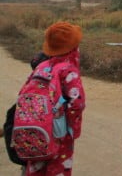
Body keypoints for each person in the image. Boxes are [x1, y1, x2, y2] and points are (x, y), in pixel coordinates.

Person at [25, 22, 86, 176]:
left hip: (36, 129)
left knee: (37, 167)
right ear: (73, 48)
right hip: (59, 132)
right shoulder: (68, 70)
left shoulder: (41, 66)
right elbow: (77, 104)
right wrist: (72, 129)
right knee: (58, 168)